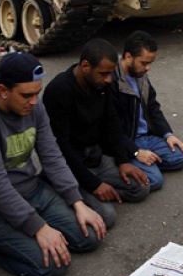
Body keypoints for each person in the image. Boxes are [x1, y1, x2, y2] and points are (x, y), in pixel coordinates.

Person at [0, 53, 105, 276]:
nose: (34, 101)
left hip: (31, 191)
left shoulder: (34, 107)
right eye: (26, 95)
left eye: (37, 93)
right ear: (3, 91)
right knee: (53, 265)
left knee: (90, 237)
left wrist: (77, 201)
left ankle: (27, 232)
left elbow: (52, 156)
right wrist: (38, 228)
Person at [43, 39, 151, 217]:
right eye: (103, 74)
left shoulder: (101, 85)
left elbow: (111, 122)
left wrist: (123, 160)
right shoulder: (59, 90)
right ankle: (68, 194)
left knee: (142, 187)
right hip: (70, 164)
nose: (109, 79)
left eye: (110, 74)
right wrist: (93, 185)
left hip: (96, 158)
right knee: (108, 216)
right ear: (85, 66)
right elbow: (61, 146)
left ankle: (96, 196)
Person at [111, 31, 183, 192]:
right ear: (128, 57)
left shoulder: (140, 74)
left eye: (150, 63)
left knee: (180, 157)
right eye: (144, 62)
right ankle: (121, 168)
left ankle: (146, 164)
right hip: (126, 141)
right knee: (154, 180)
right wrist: (135, 152)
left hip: (146, 138)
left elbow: (153, 107)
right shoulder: (111, 80)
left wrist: (168, 134)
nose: (148, 68)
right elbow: (111, 129)